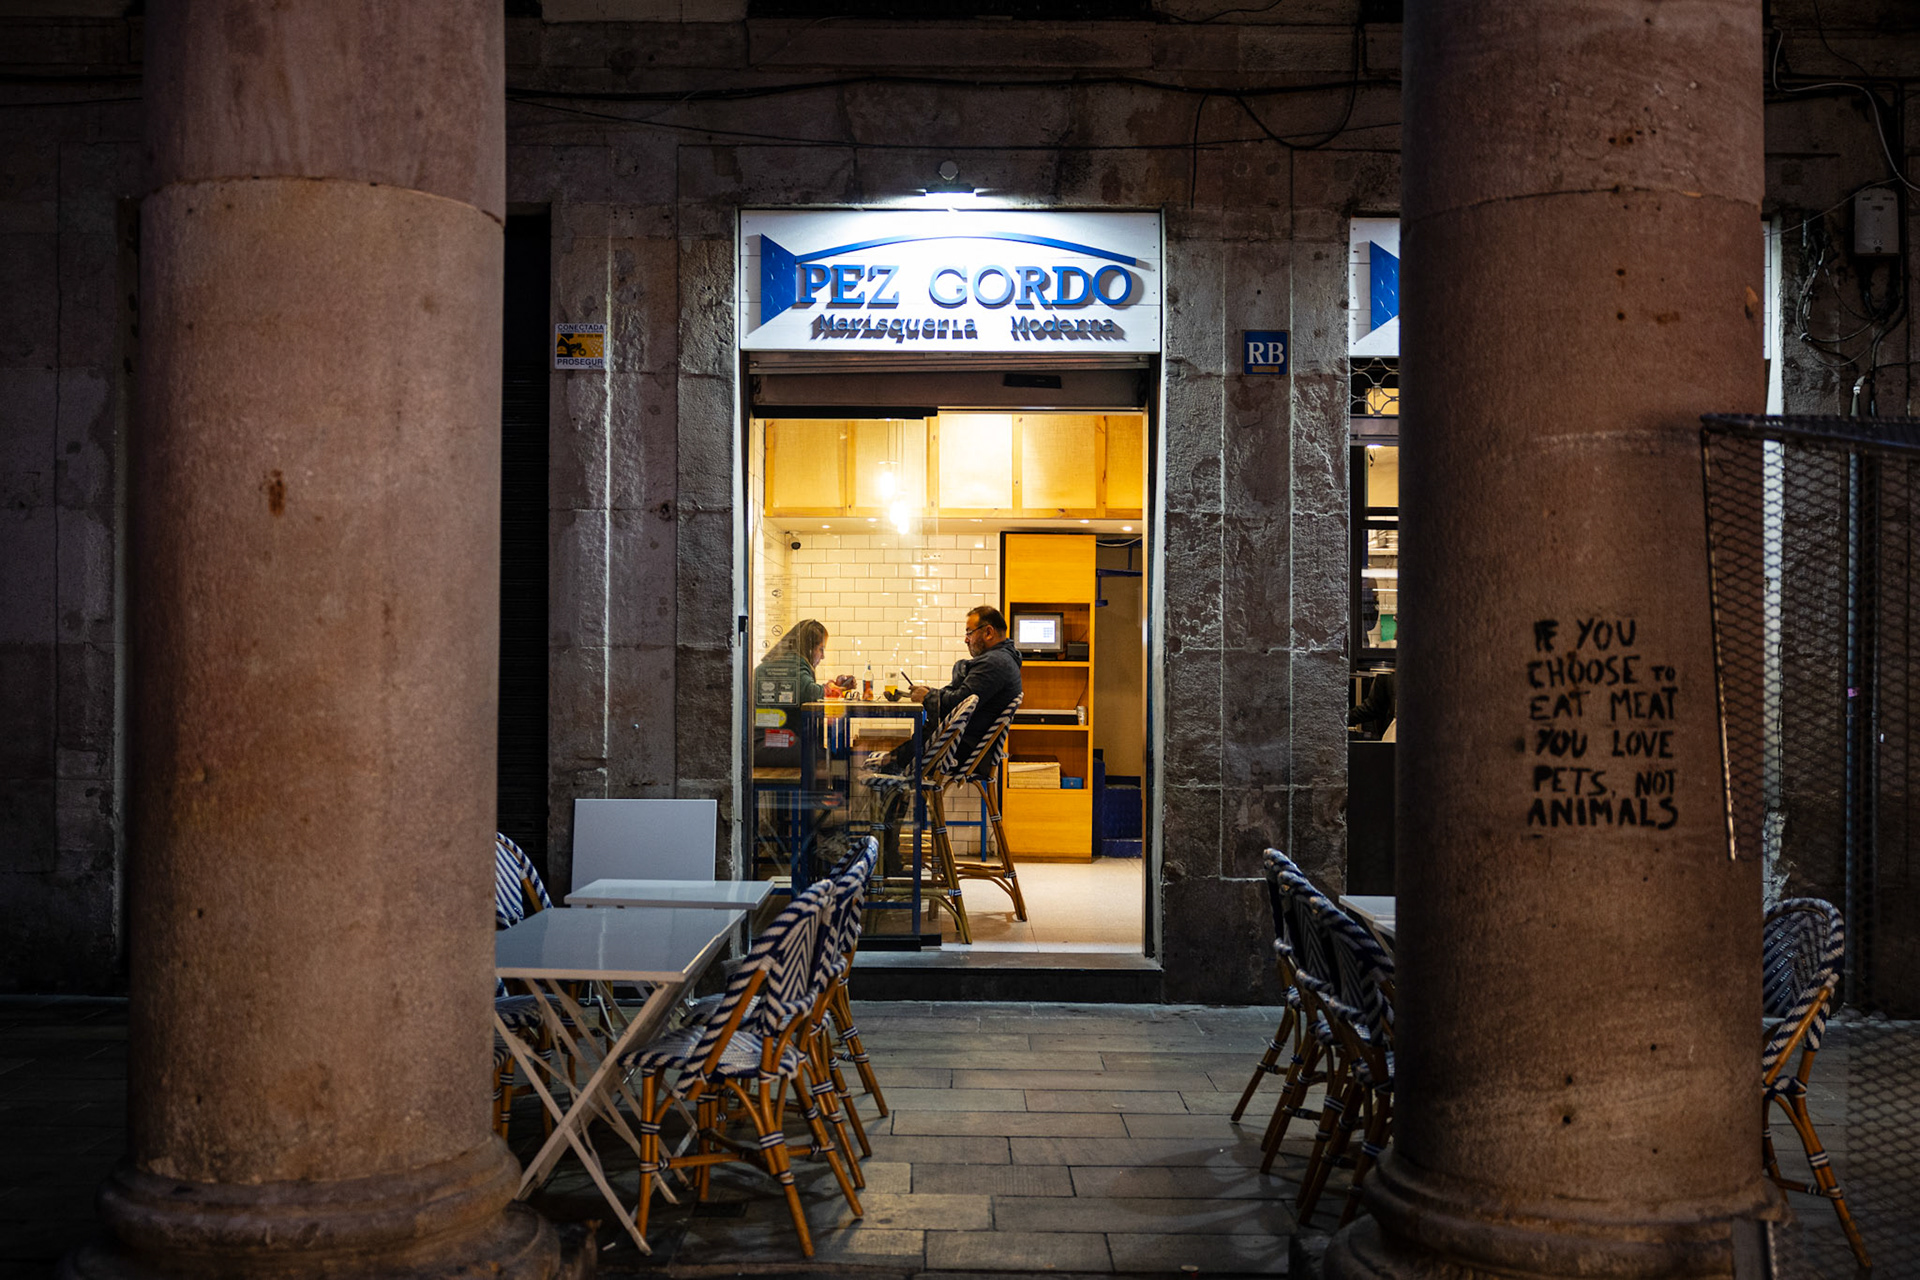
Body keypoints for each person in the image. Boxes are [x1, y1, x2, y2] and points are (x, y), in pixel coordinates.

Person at [869, 606, 1023, 872]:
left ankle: (884, 865)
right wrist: (931, 693)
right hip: (963, 749)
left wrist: (927, 696)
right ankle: (888, 859)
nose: (966, 639)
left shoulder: (995, 663)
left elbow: (959, 702)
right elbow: (962, 697)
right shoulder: (1000, 661)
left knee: (889, 772)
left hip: (959, 753)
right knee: (893, 766)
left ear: (988, 632)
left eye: (969, 632)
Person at [752, 619, 853, 709]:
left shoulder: (782, 660)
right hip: (776, 728)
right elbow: (810, 692)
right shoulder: (793, 663)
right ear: (809, 649)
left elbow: (802, 687)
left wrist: (834, 686)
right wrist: (832, 689)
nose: (823, 656)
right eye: (821, 649)